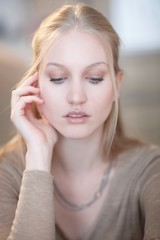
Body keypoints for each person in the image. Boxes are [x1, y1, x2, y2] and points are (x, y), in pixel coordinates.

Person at [0, 3, 160, 240]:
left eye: (94, 78)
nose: (77, 97)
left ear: (117, 84)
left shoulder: (151, 169)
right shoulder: (6, 173)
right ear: (35, 85)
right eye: (57, 78)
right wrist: (38, 156)